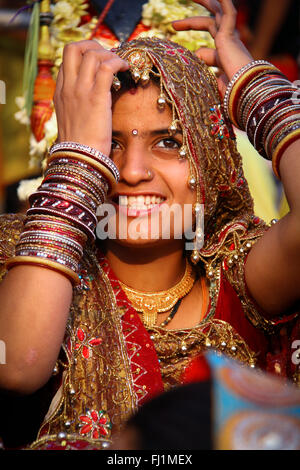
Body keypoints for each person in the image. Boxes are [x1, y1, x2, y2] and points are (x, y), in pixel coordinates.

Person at [0, 0, 300, 450]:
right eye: (110, 143)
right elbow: (19, 365)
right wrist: (80, 159)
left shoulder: (238, 275)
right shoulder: (24, 259)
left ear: (211, 158)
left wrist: (252, 86)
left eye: (168, 142)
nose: (134, 171)